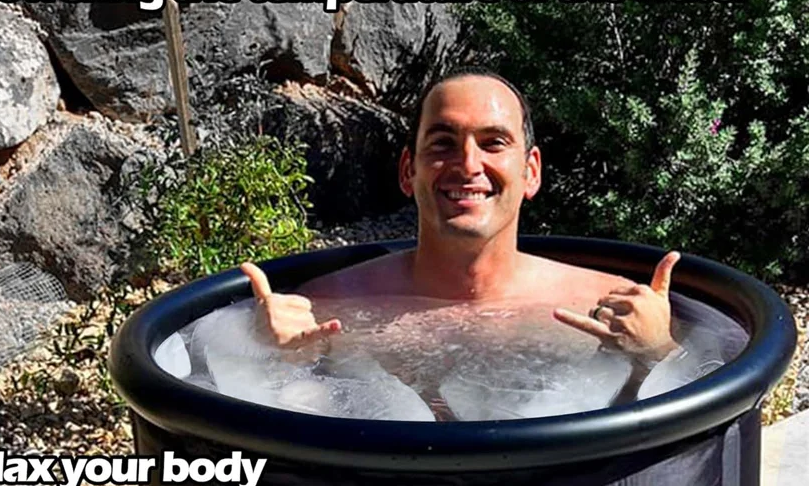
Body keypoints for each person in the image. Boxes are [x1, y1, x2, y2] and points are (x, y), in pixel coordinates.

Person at [239, 68, 682, 406]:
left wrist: (659, 351)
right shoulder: (328, 308)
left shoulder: (606, 307)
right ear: (408, 171)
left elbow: (686, 418)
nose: (468, 164)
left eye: (493, 143)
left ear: (530, 172)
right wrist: (266, 353)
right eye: (443, 143)